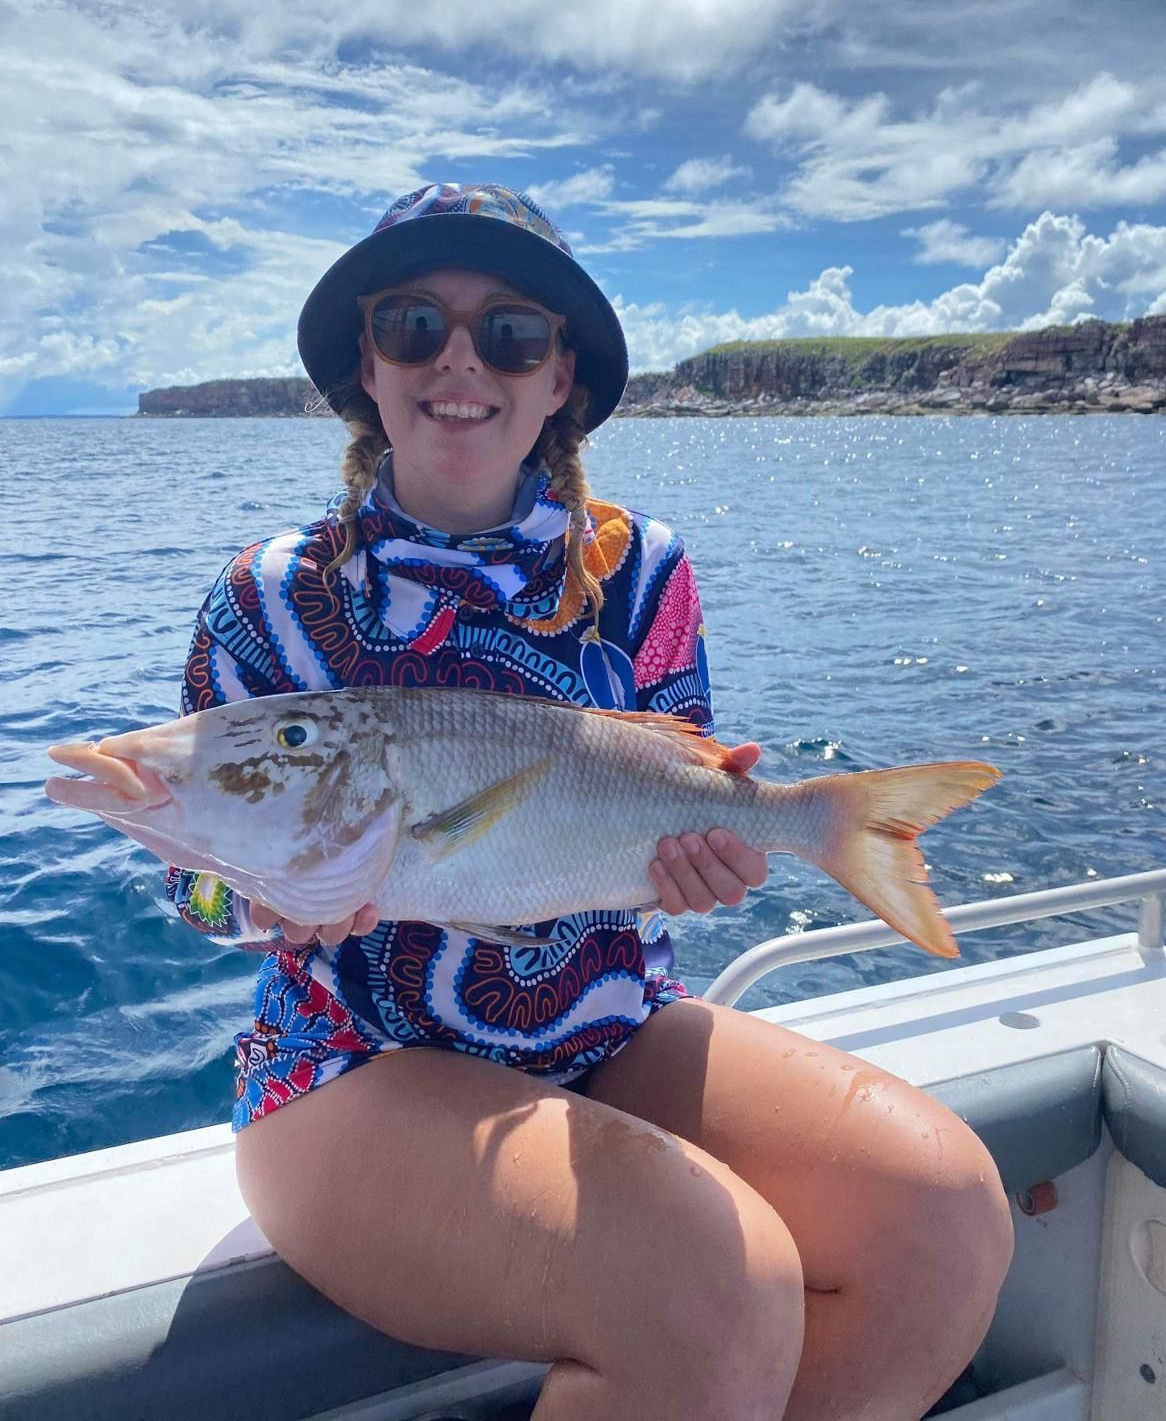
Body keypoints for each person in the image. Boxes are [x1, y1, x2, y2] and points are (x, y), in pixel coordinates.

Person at [167, 183, 1013, 1421]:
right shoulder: (272, 599)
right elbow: (187, 881)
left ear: (559, 374)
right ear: (368, 357)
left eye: (509, 331)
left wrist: (712, 862)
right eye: (415, 324)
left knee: (945, 1220)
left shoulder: (644, 571)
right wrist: (265, 905)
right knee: (714, 1284)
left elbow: (654, 806)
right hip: (350, 1067)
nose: (462, 360)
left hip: (607, 1034)